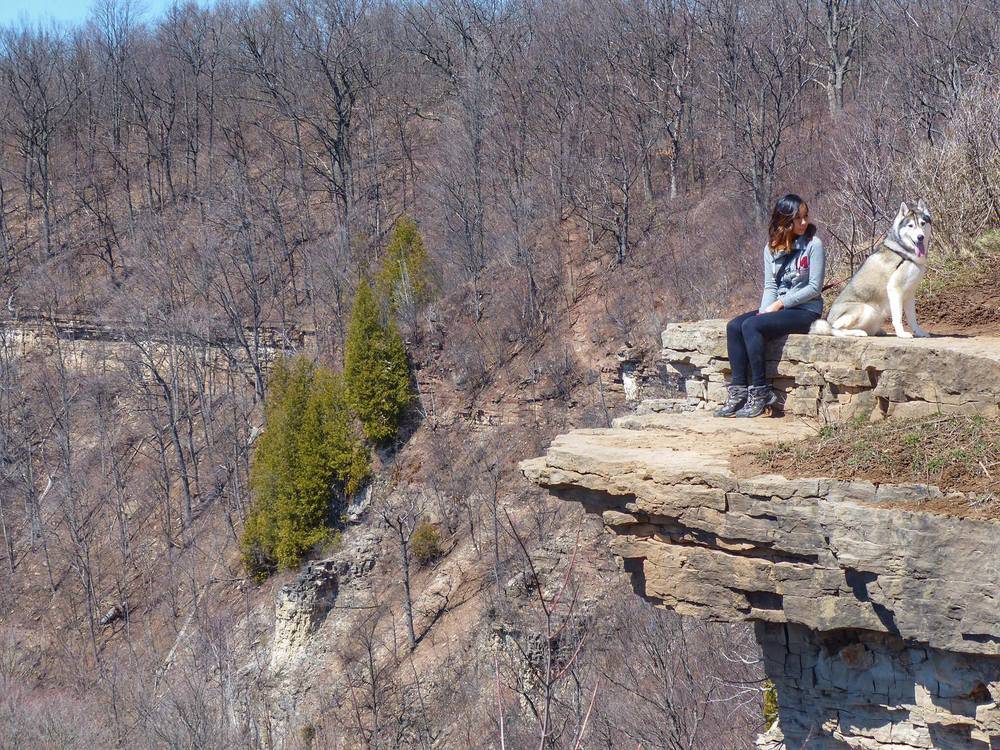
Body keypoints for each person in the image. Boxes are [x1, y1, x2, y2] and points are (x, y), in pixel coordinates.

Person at [715, 194, 826, 418]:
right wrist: (765, 310)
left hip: (806, 311)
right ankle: (738, 391)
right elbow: (770, 284)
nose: (804, 223)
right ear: (785, 221)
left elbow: (815, 287)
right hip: (780, 307)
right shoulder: (771, 248)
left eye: (805, 217)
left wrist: (779, 304)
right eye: (798, 219)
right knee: (735, 326)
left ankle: (760, 391)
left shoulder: (814, 245)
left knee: (752, 327)